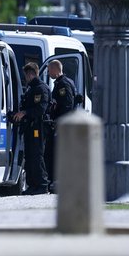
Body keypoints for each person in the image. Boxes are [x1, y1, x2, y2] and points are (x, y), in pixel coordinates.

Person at [12, 62, 51, 195]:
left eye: (26, 75)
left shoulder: (41, 88)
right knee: (29, 156)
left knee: (36, 155)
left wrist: (25, 113)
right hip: (30, 126)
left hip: (38, 127)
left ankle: (42, 184)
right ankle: (32, 185)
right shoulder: (31, 88)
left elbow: (41, 109)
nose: (25, 78)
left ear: (31, 74)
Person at [46, 59, 77, 191]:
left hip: (62, 126)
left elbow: (67, 105)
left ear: (55, 70)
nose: (48, 73)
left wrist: (59, 122)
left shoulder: (63, 84)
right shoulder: (65, 82)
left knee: (56, 154)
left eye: (49, 70)